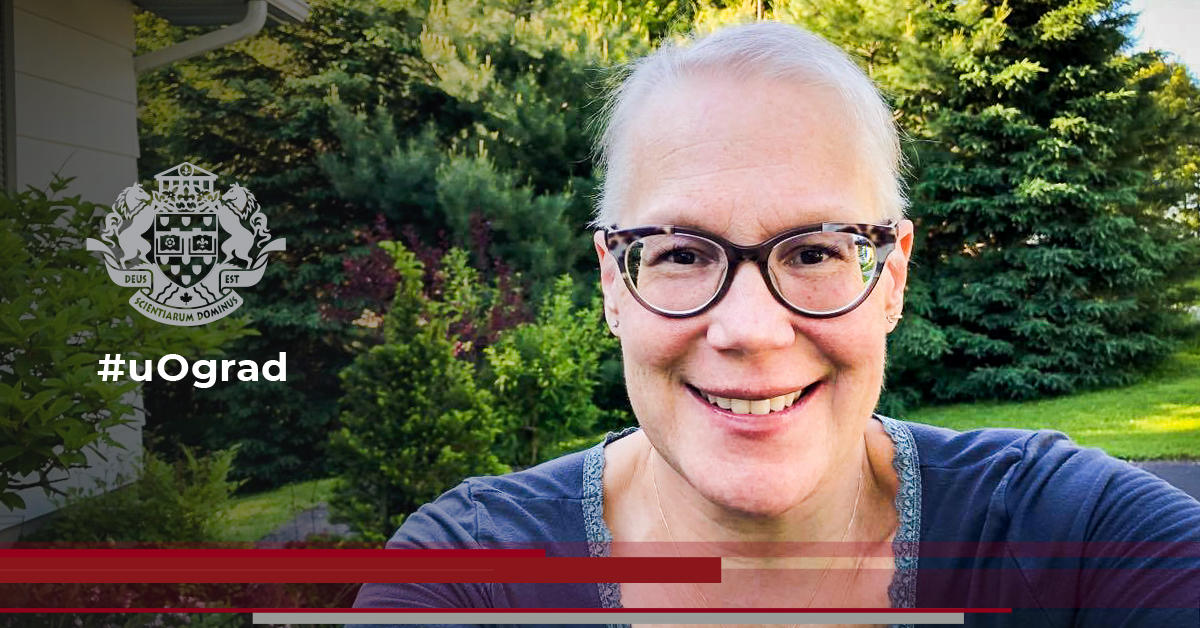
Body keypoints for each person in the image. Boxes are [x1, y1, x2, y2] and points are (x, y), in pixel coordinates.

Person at [354, 22, 1200, 626]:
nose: (751, 329)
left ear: (892, 276)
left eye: (816, 252)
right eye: (682, 254)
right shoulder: (466, 579)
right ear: (615, 283)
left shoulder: (1068, 534)